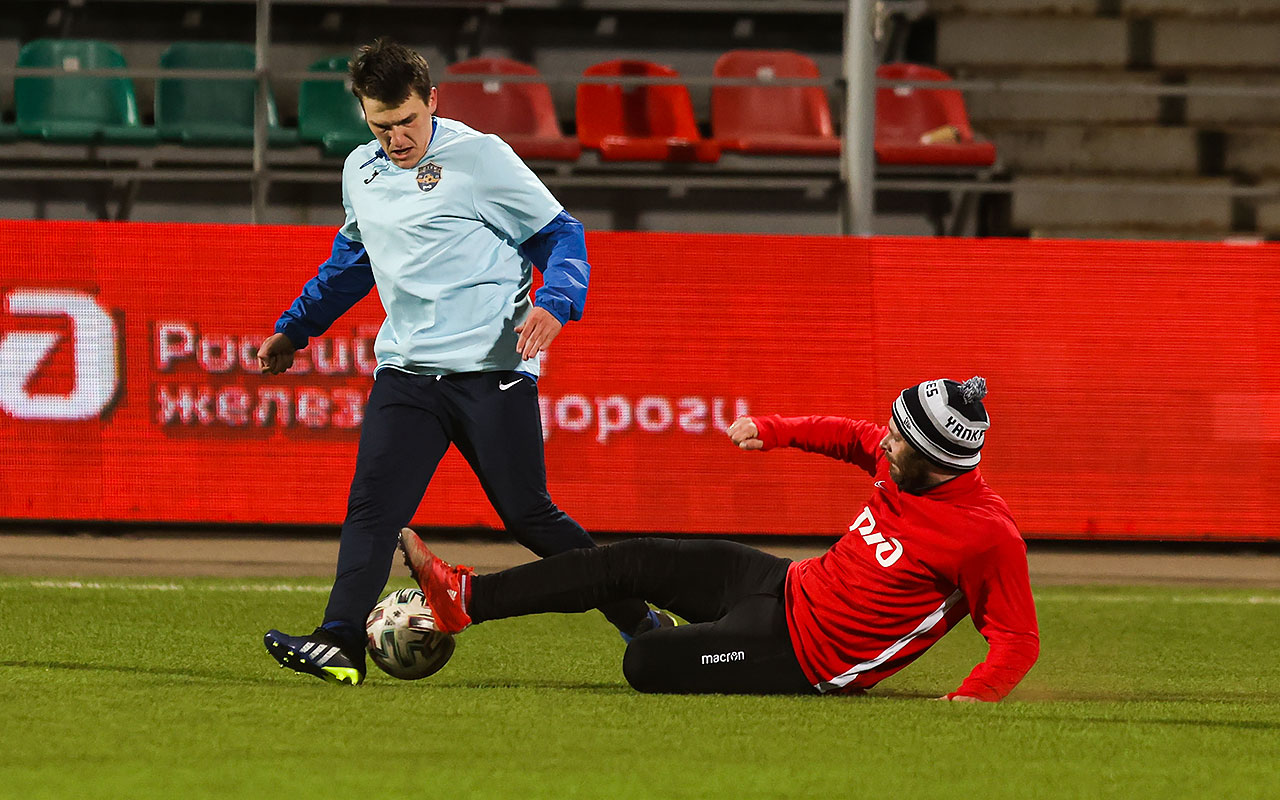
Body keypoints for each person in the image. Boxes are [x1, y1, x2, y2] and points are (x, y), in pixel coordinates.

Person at [261, 39, 661, 686]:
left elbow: (560, 234)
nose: (395, 139)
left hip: (489, 370)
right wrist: (295, 329)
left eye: (407, 122)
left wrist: (555, 302)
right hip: (407, 374)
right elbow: (353, 261)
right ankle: (340, 641)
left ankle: (643, 624)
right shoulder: (360, 170)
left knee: (529, 517)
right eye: (381, 126)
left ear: (432, 101)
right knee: (373, 512)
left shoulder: (481, 157)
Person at [398, 376, 1041, 700]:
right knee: (633, 558)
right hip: (783, 584)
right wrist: (775, 429)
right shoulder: (904, 458)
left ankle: (678, 640)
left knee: (644, 665)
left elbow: (1017, 641)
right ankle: (466, 599)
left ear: (937, 462)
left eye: (899, 440)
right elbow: (851, 435)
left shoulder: (985, 535)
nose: (886, 441)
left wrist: (970, 699)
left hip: (803, 658)